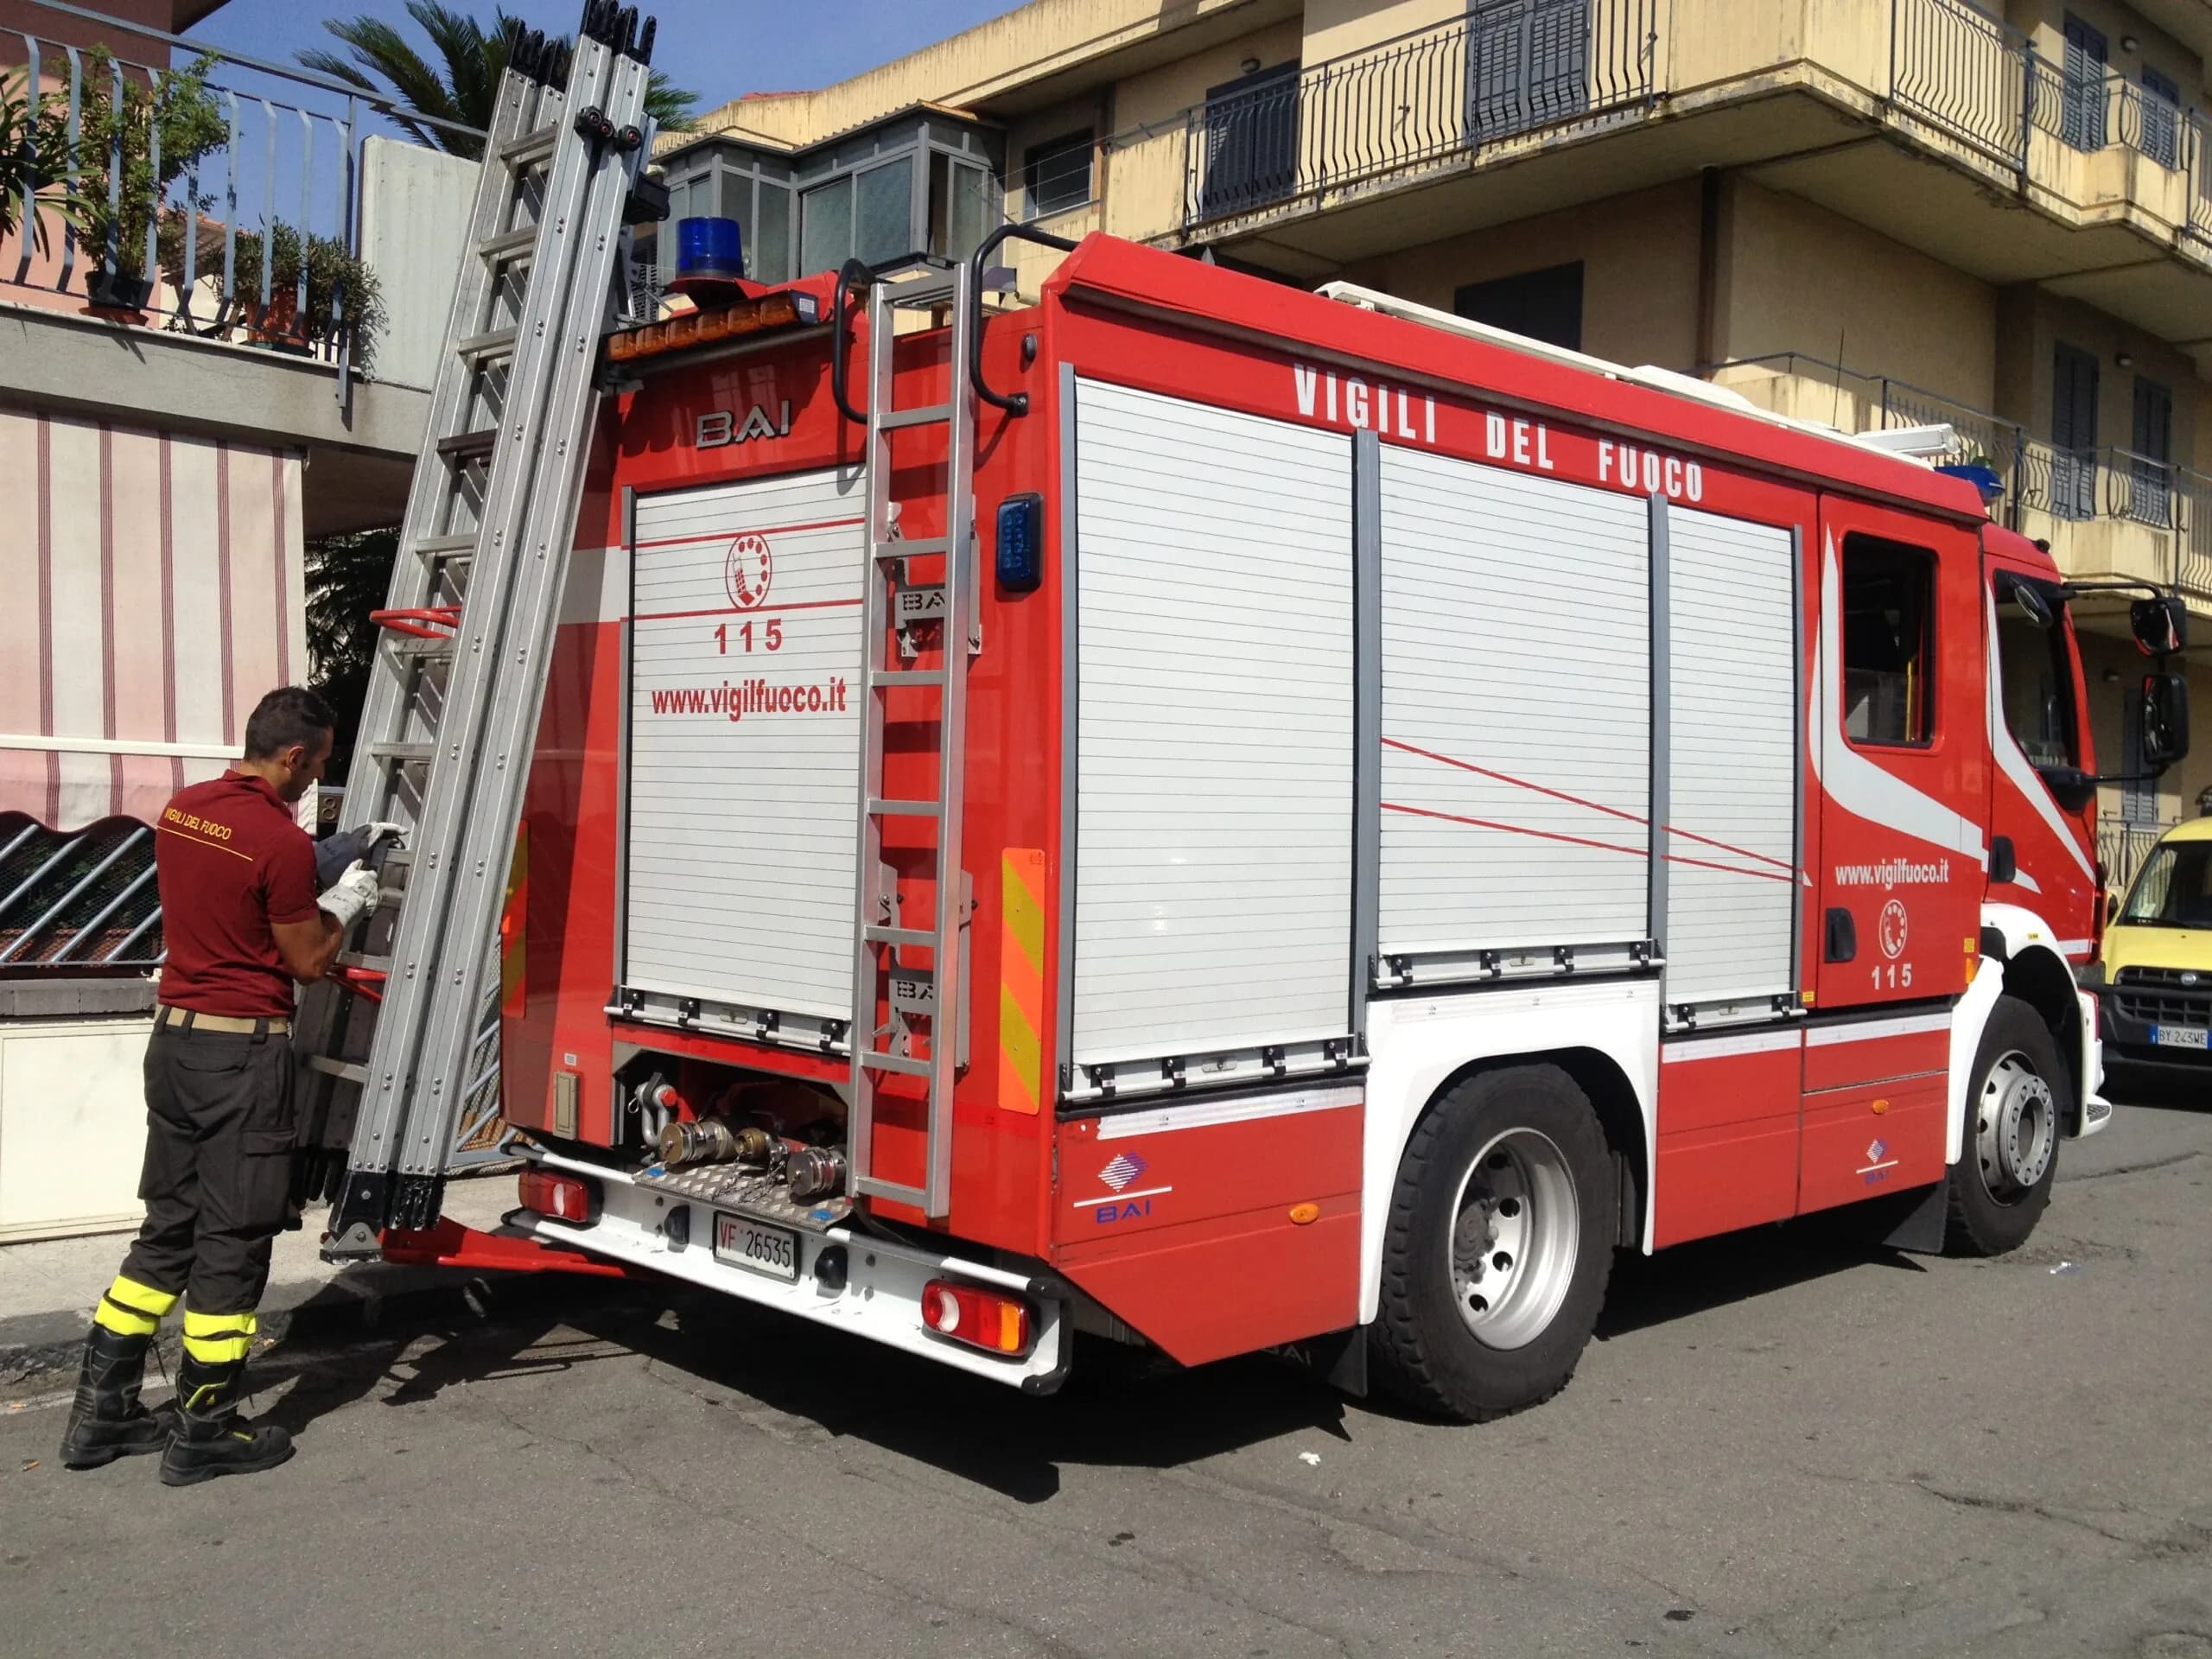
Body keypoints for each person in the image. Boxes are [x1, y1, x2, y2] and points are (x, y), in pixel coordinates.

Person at [57, 686, 392, 1484]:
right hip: (240, 1060)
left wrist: (331, 853)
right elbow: (306, 960)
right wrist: (347, 902)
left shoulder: (186, 810)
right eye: (317, 764)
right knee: (233, 1243)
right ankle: (205, 1428)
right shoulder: (276, 842)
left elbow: (238, 883)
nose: (316, 778)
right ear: (292, 757)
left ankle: (101, 1415)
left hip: (174, 1047)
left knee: (167, 1229)